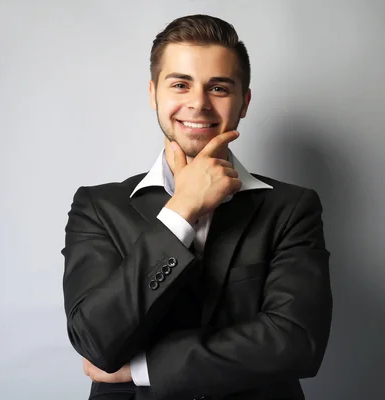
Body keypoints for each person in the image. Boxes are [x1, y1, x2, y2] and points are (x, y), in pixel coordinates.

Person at [61, 14, 332, 400]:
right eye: (180, 84)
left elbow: (296, 342)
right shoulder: (98, 206)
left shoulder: (291, 207)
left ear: (245, 101)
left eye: (218, 87)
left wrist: (143, 368)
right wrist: (182, 209)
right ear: (154, 93)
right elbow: (95, 340)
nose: (198, 103)